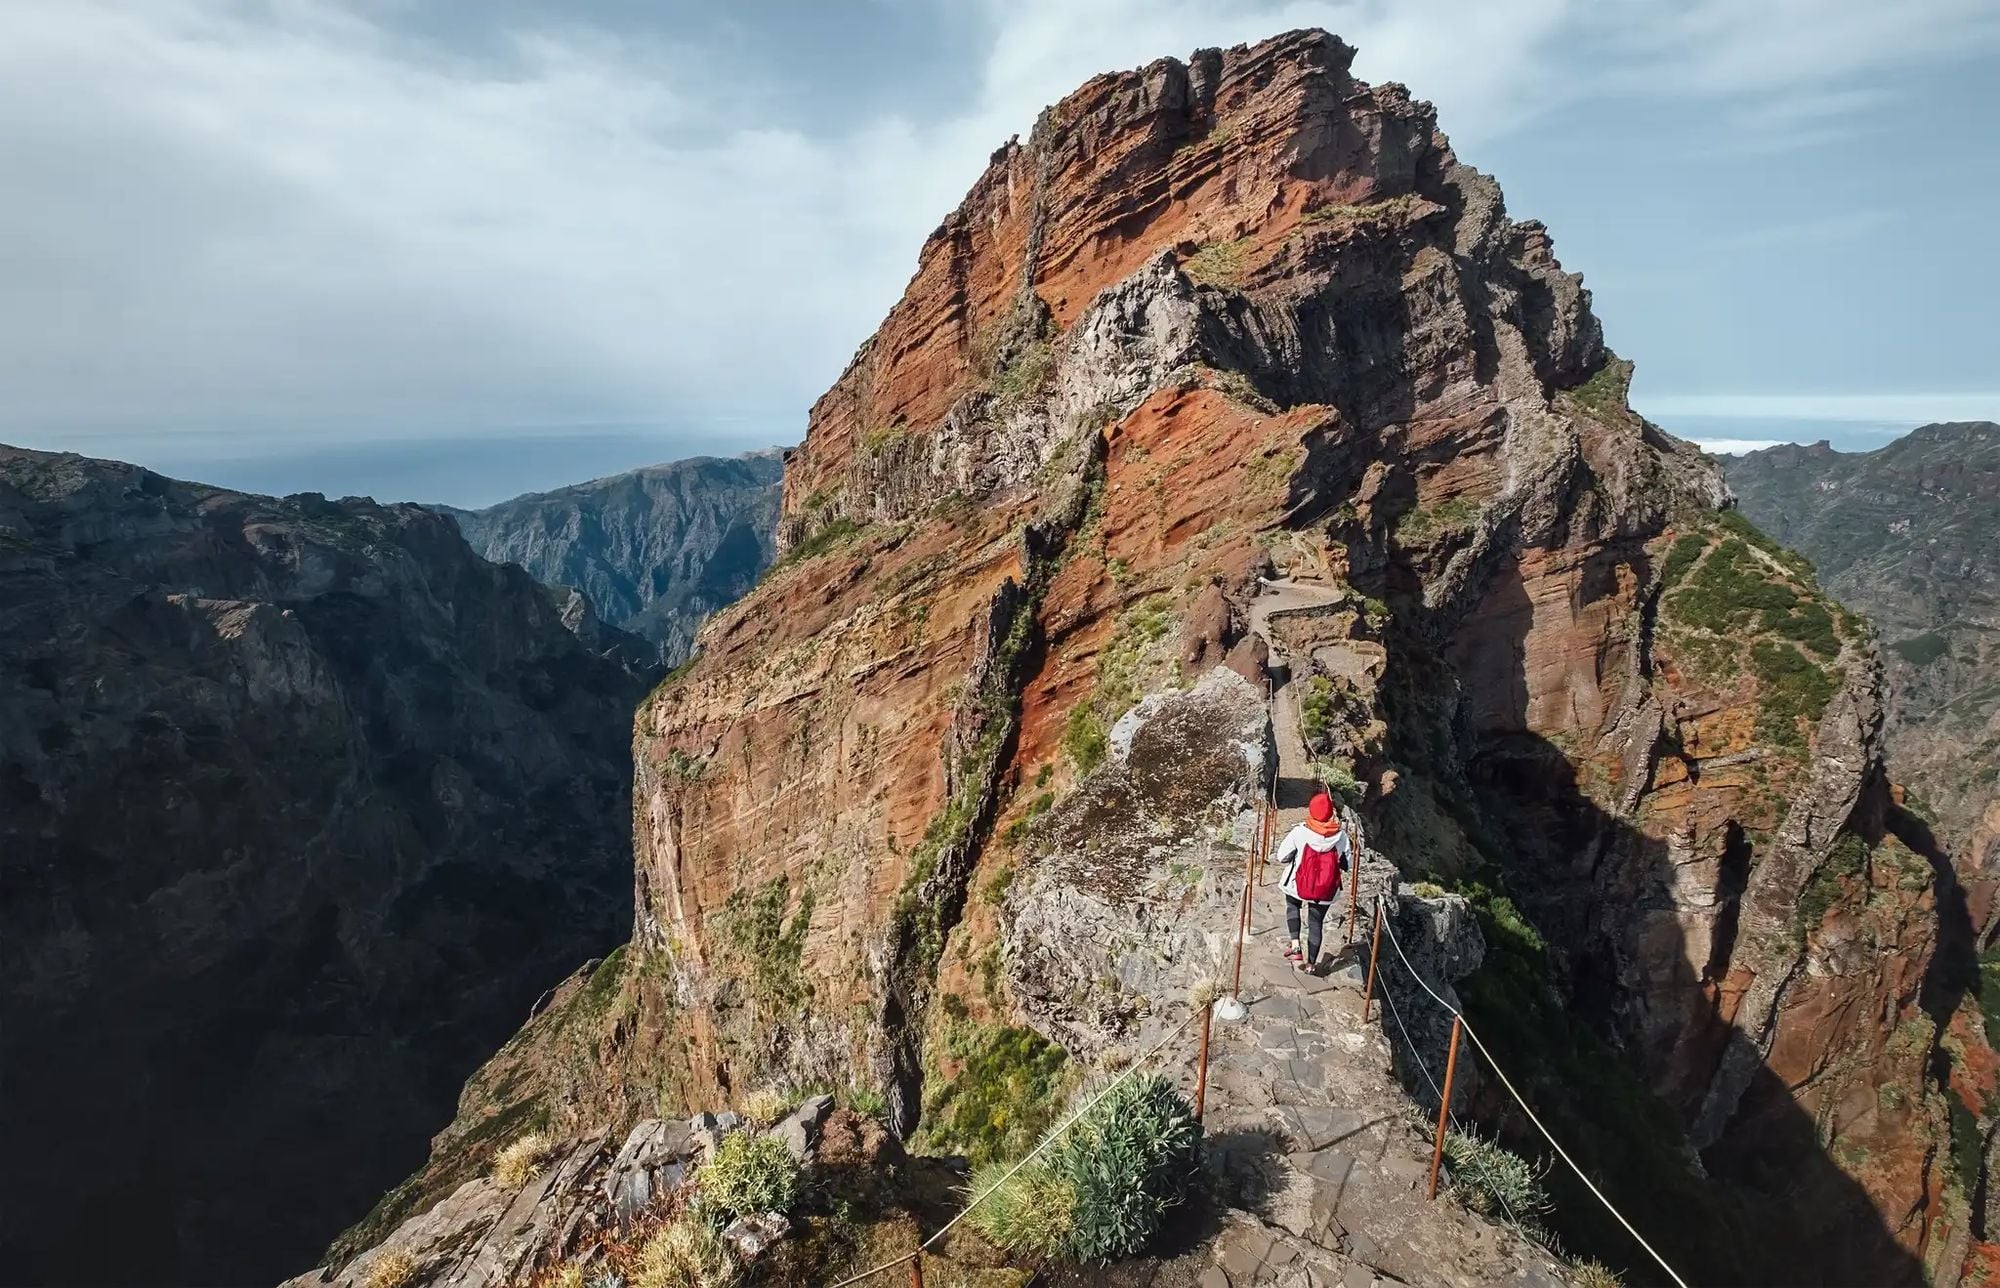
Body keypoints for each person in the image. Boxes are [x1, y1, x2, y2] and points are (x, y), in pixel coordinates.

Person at [1271, 792, 1351, 973]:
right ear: (1330, 812)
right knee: (1316, 922)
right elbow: (1347, 865)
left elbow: (1281, 856)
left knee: (1293, 906)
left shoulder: (1300, 831)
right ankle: (1311, 965)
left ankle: (1296, 947)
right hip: (1325, 889)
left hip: (1296, 884)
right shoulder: (1341, 837)